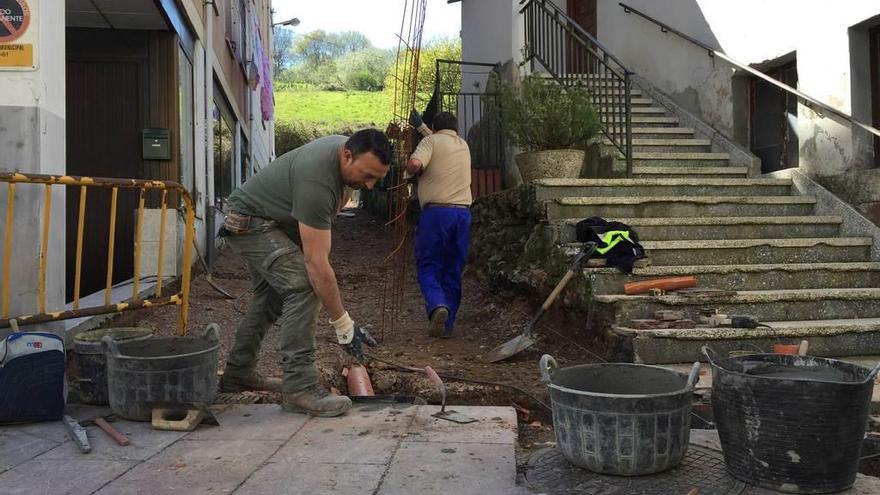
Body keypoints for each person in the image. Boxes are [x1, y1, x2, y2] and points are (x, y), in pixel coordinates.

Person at [218, 129, 392, 417]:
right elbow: (316, 264)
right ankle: (299, 389)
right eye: (367, 175)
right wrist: (343, 325)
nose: (370, 185)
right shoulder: (318, 180)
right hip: (251, 222)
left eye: (376, 179)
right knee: (303, 286)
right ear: (347, 155)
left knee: (270, 300)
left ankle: (238, 374)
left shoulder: (344, 164)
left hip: (273, 221)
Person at [406, 110, 472, 338]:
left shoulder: (429, 141)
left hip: (436, 214)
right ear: (456, 129)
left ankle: (437, 305)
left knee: (429, 265)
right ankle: (447, 323)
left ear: (434, 127)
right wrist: (420, 126)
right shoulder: (463, 145)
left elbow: (416, 162)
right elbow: (438, 139)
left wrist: (413, 171)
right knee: (453, 268)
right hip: (463, 215)